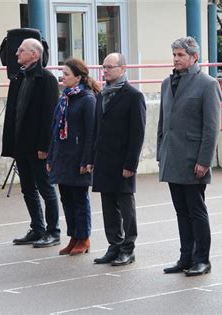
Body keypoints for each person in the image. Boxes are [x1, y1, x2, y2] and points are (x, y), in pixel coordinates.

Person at [157, 37, 221, 277]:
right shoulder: (167, 83)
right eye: (174, 54)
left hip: (193, 159)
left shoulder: (207, 84)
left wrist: (204, 160)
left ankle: (202, 259)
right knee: (180, 211)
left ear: (194, 57)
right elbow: (163, 122)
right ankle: (186, 257)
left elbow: (211, 127)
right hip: (172, 157)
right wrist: (160, 152)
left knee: (196, 210)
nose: (176, 59)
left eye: (181, 55)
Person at [1, 38, 61, 248]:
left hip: (38, 147)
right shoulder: (18, 77)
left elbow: (49, 117)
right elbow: (13, 113)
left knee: (46, 188)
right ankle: (37, 228)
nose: (16, 54)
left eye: (21, 50)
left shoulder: (47, 79)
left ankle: (53, 232)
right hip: (21, 145)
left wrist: (45, 147)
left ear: (35, 54)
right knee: (27, 189)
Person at [88, 53, 146, 266]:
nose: (105, 71)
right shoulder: (102, 94)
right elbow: (96, 129)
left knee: (125, 206)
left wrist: (131, 164)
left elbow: (137, 133)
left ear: (123, 69)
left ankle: (128, 248)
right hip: (104, 159)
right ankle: (114, 245)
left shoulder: (133, 96)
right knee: (108, 205)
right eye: (104, 67)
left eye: (110, 67)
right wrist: (91, 158)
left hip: (122, 161)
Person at [46, 58, 99, 256]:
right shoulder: (64, 98)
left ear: (78, 77)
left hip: (78, 159)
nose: (62, 77)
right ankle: (74, 237)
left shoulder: (87, 99)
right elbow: (55, 130)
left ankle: (84, 237)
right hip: (62, 156)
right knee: (66, 199)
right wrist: (51, 158)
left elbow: (90, 132)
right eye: (62, 73)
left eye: (66, 74)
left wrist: (87, 161)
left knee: (79, 199)